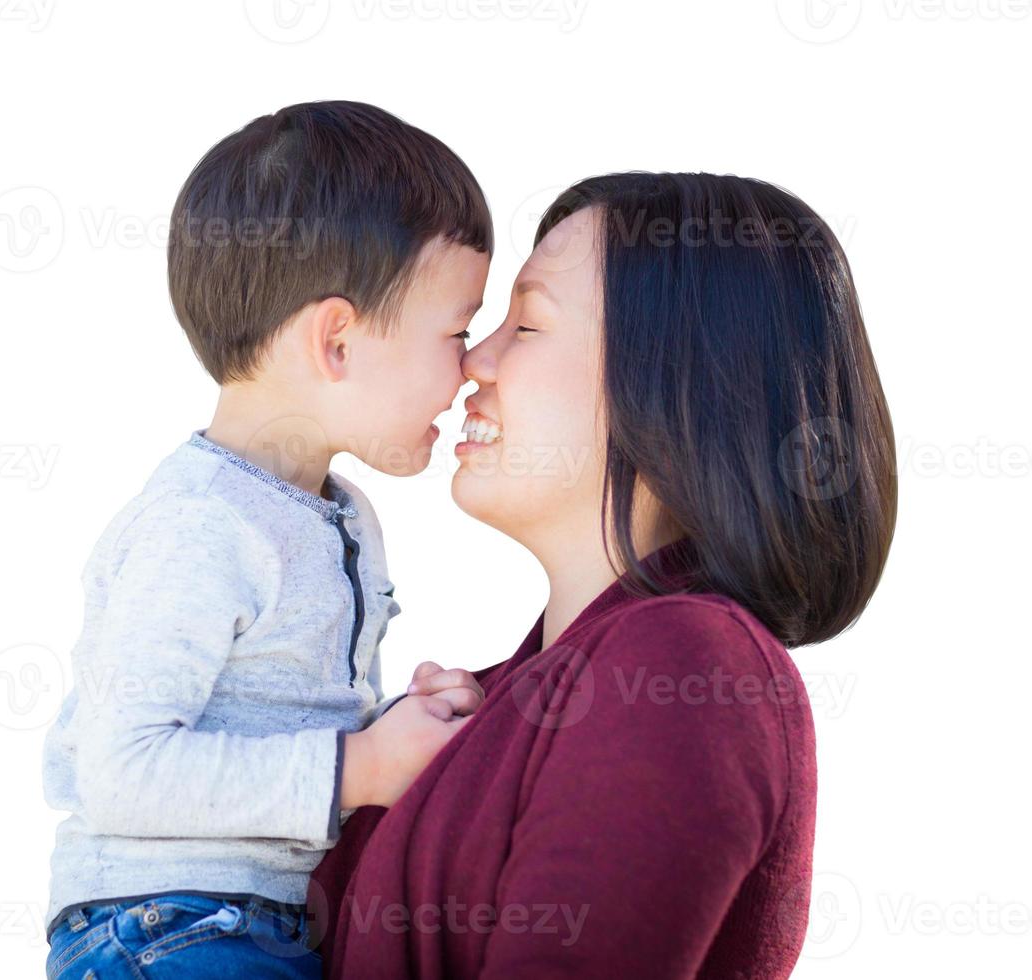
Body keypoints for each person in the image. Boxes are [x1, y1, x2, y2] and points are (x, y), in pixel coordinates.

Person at [310, 172, 897, 978]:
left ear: (678, 380)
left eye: (528, 324)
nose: (472, 361)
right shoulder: (478, 704)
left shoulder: (688, 666)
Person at [41, 101, 492, 979]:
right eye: (457, 331)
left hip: (262, 922)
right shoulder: (201, 527)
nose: (473, 366)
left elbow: (280, 723)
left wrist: (395, 728)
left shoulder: (340, 511)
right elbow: (120, 772)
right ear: (337, 338)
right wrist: (356, 766)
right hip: (163, 928)